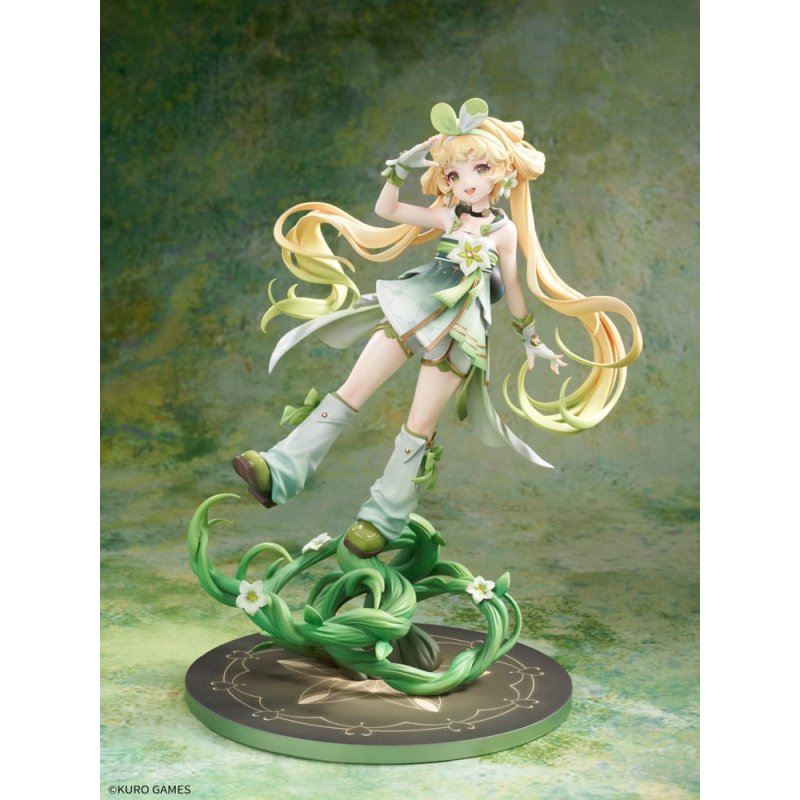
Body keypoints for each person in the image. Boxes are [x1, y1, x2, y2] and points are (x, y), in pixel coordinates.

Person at [232, 98, 642, 558]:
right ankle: (280, 471)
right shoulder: (448, 216)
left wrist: (531, 339)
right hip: (414, 306)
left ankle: (383, 519)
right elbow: (387, 208)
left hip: (462, 332)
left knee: (418, 424)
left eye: (479, 169)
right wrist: (400, 168)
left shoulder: (504, 232)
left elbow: (513, 285)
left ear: (502, 172)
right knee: (351, 390)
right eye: (455, 174)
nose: (468, 182)